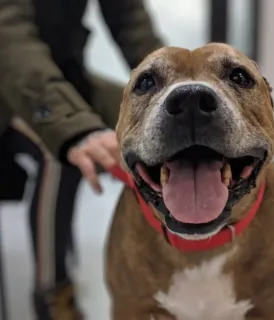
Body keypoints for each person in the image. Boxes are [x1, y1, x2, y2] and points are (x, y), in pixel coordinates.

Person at [0, 0, 163, 318]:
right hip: (10, 81)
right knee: (58, 152)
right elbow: (10, 38)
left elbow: (130, 21)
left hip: (65, 72)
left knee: (160, 123)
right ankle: (52, 291)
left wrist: (178, 81)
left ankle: (180, 267)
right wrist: (74, 129)